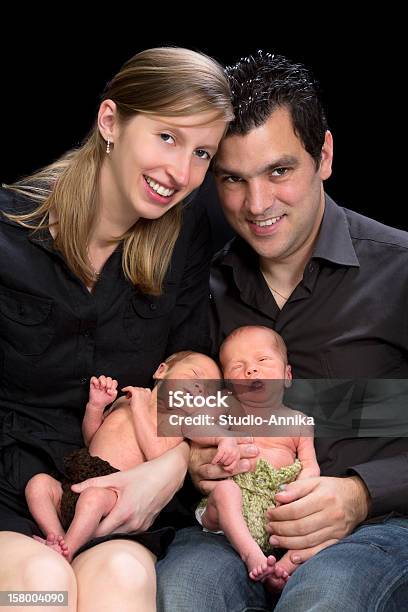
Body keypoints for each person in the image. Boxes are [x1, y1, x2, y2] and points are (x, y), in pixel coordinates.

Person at [156, 51, 408, 611]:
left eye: (279, 171)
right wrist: (192, 460)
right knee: (182, 591)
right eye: (233, 179)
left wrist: (364, 493)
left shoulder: (399, 268)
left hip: (380, 530)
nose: (257, 204)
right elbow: (172, 411)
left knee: (328, 594)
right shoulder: (201, 288)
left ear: (324, 155)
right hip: (233, 524)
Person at [0, 46, 233, 612]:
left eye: (202, 152)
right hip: (8, 488)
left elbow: (189, 379)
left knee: (125, 577)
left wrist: (170, 468)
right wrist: (29, 474)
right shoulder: (8, 231)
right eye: (167, 137)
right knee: (40, 583)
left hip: (119, 492)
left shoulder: (184, 241)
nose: (181, 173)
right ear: (111, 122)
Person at [25, 351, 224, 564]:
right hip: (78, 478)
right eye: (194, 374)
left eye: (207, 390)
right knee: (38, 485)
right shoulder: (123, 401)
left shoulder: (175, 423)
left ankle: (69, 551)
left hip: (113, 493)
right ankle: (57, 537)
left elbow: (155, 452)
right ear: (161, 371)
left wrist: (140, 408)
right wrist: (95, 407)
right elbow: (92, 439)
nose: (199, 387)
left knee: (92, 499)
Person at [195, 325, 319, 592]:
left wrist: (297, 492)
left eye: (262, 360)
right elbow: (192, 426)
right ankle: (249, 552)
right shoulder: (229, 408)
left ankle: (283, 568)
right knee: (226, 490)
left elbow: (310, 466)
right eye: (238, 367)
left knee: (318, 524)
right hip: (228, 512)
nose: (251, 370)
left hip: (277, 509)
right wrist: (221, 437)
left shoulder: (299, 422)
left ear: (287, 375)